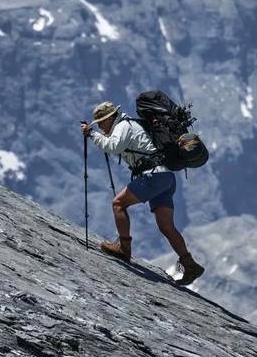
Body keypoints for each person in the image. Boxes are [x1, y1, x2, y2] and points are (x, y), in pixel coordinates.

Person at [81, 100, 205, 286]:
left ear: (110, 118)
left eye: (101, 122)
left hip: (153, 176)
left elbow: (113, 147)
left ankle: (124, 248)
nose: (99, 126)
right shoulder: (128, 125)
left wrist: (91, 134)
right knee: (166, 226)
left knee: (118, 204)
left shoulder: (123, 125)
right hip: (166, 178)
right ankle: (189, 264)